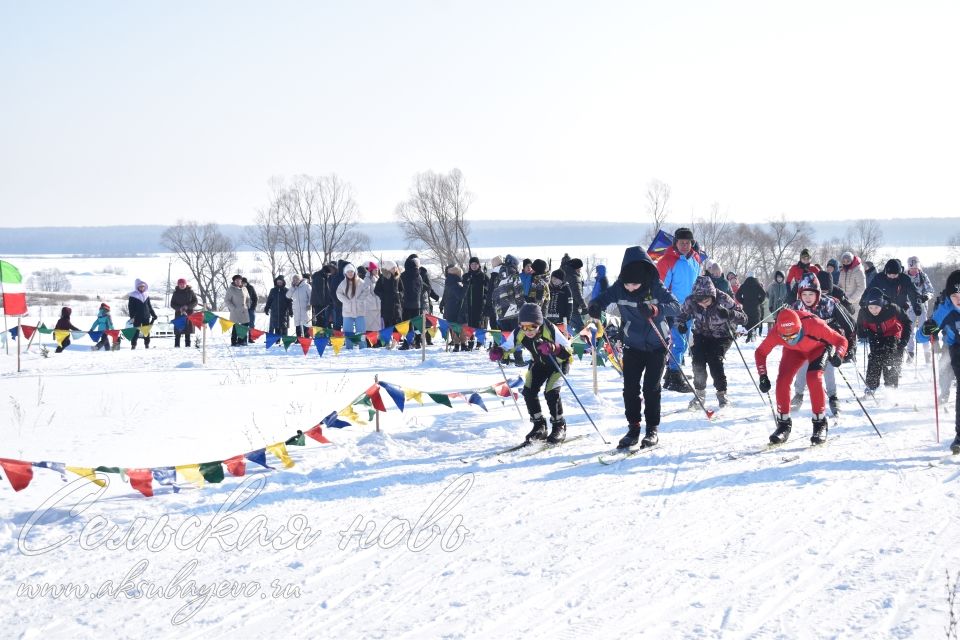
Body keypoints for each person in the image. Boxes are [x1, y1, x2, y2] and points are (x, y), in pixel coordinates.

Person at [590, 246, 680, 449]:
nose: (630, 288)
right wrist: (595, 306)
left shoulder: (655, 287)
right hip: (632, 344)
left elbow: (676, 306)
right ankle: (633, 428)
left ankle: (652, 430)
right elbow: (601, 299)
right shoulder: (619, 287)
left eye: (634, 284)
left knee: (651, 388)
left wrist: (656, 309)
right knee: (630, 388)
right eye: (627, 284)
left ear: (643, 279)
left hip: (657, 344)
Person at [755, 308, 848, 445]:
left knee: (813, 378)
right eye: (785, 337)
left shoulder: (815, 325)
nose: (790, 339)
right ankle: (783, 425)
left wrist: (839, 355)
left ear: (800, 328)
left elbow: (841, 340)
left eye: (794, 335)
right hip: (794, 352)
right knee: (782, 381)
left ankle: (820, 423)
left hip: (817, 348)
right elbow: (760, 352)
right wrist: (763, 375)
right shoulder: (776, 332)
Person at [489, 303, 573, 444]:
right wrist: (499, 352)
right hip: (539, 363)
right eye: (524, 327)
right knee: (528, 391)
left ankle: (559, 425)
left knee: (551, 392)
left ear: (539, 323)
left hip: (558, 363)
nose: (528, 331)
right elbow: (508, 346)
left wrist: (554, 347)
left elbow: (568, 350)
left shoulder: (550, 329)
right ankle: (539, 426)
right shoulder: (519, 332)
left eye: (532, 326)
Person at [788, 274, 857, 416]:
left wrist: (849, 348)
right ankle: (799, 394)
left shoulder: (830, 304)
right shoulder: (796, 306)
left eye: (811, 294)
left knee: (828, 365)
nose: (807, 298)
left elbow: (850, 325)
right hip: (806, 340)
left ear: (818, 293)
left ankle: (833, 396)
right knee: (803, 363)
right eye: (804, 294)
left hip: (828, 340)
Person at [677, 276, 747, 409]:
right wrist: (680, 323)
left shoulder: (723, 299)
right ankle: (699, 394)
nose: (703, 304)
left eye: (706, 301)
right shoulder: (691, 301)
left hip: (722, 335)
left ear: (712, 295)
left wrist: (729, 314)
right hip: (701, 333)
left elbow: (744, 318)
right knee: (698, 361)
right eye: (700, 302)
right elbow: (680, 315)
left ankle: (722, 394)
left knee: (714, 359)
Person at [656, 227, 702, 393]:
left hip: (691, 307)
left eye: (687, 242)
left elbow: (698, 283)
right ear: (675, 243)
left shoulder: (696, 259)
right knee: (679, 342)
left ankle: (671, 373)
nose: (684, 245)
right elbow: (659, 286)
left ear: (692, 243)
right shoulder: (667, 260)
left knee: (682, 342)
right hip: (675, 308)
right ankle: (674, 377)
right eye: (681, 242)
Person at [921, 270, 960, 453]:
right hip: (956, 348)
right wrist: (927, 330)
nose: (958, 299)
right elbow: (920, 337)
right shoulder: (945, 309)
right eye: (954, 295)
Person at [856, 287, 911, 396]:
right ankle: (871, 387)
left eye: (876, 307)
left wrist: (904, 340)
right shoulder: (864, 312)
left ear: (882, 304)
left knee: (890, 358)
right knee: (874, 359)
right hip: (875, 335)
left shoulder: (892, 309)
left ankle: (891, 386)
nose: (873, 310)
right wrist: (862, 333)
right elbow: (859, 327)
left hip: (892, 333)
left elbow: (907, 322)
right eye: (870, 307)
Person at [905, 256, 935, 364]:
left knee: (924, 329)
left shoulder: (923, 276)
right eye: (912, 268)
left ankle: (927, 353)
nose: (914, 270)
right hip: (909, 307)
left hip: (922, 306)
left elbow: (930, 290)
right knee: (910, 329)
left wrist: (926, 296)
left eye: (916, 268)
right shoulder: (904, 277)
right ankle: (910, 352)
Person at [336, 264, 370, 349]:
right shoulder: (343, 283)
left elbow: (367, 290)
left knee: (361, 331)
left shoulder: (361, 282)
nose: (350, 273)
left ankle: (363, 347)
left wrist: (360, 300)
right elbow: (338, 293)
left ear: (355, 272)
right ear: (345, 273)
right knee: (348, 332)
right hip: (348, 311)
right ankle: (349, 347)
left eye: (351, 271)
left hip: (360, 311)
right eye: (348, 272)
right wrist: (346, 301)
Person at [461, 256, 489, 348]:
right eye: (472, 264)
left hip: (480, 304)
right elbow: (462, 290)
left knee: (480, 324)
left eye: (475, 264)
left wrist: (485, 298)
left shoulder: (483, 276)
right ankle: (470, 341)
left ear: (478, 265)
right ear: (469, 265)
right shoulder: (466, 276)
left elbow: (488, 290)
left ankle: (479, 342)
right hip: (468, 304)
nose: (473, 266)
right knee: (469, 324)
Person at [439, 265, 467, 351]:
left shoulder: (449, 282)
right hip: (455, 308)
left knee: (454, 327)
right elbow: (460, 296)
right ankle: (461, 344)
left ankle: (457, 344)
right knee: (461, 326)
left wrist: (442, 304)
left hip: (449, 309)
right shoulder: (455, 283)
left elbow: (444, 295)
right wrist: (466, 286)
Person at [374, 261, 402, 344]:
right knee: (387, 325)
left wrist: (399, 295)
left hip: (396, 306)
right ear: (389, 268)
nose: (395, 269)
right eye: (393, 268)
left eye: (395, 268)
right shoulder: (382, 278)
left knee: (397, 324)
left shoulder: (397, 277)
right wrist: (384, 296)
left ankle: (396, 340)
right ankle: (387, 341)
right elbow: (376, 290)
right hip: (386, 306)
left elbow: (402, 289)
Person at [735, 272, 766, 341]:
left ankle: (749, 334)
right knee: (754, 320)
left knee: (747, 320)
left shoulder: (744, 285)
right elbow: (763, 294)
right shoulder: (758, 285)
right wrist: (759, 301)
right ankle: (753, 333)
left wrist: (743, 301)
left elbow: (737, 295)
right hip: (755, 306)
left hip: (746, 306)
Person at [128, 279, 157, 349]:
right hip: (137, 317)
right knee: (136, 331)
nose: (142, 288)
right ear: (137, 287)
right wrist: (132, 317)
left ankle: (147, 344)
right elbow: (130, 307)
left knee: (146, 331)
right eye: (140, 286)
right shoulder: (133, 295)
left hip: (146, 316)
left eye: (143, 286)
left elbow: (149, 306)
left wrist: (153, 314)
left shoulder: (146, 295)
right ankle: (133, 345)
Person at [561, 257, 588, 333]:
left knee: (570, 330)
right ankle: (585, 344)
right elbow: (577, 294)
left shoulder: (564, 274)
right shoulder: (574, 278)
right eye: (580, 268)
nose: (580, 270)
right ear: (576, 268)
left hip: (564, 307)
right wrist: (584, 306)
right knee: (582, 330)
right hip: (573, 308)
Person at [170, 277, 198, 348]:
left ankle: (188, 346)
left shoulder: (190, 292)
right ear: (178, 285)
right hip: (179, 314)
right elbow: (172, 304)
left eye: (183, 284)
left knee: (187, 331)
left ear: (186, 284)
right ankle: (176, 345)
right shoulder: (175, 293)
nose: (182, 285)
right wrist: (179, 308)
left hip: (189, 314)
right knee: (178, 331)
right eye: (180, 284)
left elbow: (195, 301)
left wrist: (188, 306)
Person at [225, 274, 250, 346]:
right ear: (234, 281)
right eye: (236, 280)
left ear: (241, 281)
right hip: (235, 311)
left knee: (244, 326)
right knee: (236, 327)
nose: (238, 282)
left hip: (244, 311)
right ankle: (234, 342)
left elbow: (248, 298)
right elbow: (227, 300)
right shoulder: (231, 289)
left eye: (239, 280)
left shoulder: (245, 289)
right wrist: (233, 308)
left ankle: (242, 341)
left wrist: (248, 305)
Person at [286, 273, 312, 338]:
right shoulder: (293, 288)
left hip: (305, 308)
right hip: (296, 309)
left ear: (300, 280)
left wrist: (309, 304)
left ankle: (307, 337)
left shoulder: (307, 286)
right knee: (297, 324)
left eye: (296, 280)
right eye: (293, 280)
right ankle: (298, 338)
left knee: (306, 323)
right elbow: (288, 296)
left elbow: (311, 296)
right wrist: (292, 288)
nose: (294, 281)